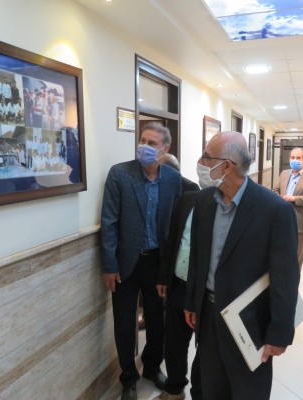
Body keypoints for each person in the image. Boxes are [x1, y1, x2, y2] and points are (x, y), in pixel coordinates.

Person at [185, 131, 300, 399]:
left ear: (226, 166)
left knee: (249, 390)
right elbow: (197, 256)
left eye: (206, 157)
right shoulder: (204, 201)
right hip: (209, 314)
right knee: (212, 388)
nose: (200, 162)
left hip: (251, 320)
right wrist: (192, 301)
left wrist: (280, 332)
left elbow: (285, 277)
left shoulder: (275, 210)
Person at [100, 122, 182, 400]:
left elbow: (174, 226)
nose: (144, 147)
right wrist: (109, 265)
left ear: (165, 149)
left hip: (156, 262)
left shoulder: (172, 179)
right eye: (142, 140)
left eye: (152, 143)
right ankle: (128, 378)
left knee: (158, 322)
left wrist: (167, 272)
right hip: (125, 264)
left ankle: (151, 366)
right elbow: (109, 221)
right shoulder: (120, 174)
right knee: (124, 323)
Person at [154, 154, 201, 400]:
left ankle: (201, 391)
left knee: (205, 348)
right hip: (178, 285)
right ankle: (175, 388)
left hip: (205, 291)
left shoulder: (227, 208)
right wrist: (164, 277)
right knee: (174, 343)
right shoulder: (188, 199)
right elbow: (174, 241)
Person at [273, 147, 303, 269]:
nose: (294, 160)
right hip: (281, 221)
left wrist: (294, 198)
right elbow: (275, 190)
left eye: (298, 158)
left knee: (296, 260)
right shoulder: (284, 174)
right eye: (292, 157)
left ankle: (293, 280)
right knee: (280, 256)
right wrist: (279, 199)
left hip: (300, 223)